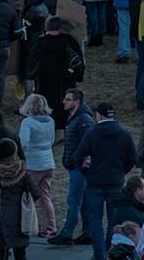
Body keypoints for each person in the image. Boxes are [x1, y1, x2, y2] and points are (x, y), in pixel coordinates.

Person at [71, 101, 137, 260]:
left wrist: (86, 171)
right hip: (116, 182)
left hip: (95, 183)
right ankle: (109, 251)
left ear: (98, 115)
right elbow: (132, 158)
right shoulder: (124, 133)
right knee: (113, 220)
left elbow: (78, 156)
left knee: (95, 221)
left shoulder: (92, 132)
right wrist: (121, 171)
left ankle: (99, 254)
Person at [49, 88, 94, 245]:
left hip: (79, 168)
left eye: (67, 99)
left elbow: (89, 144)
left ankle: (67, 233)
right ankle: (88, 233)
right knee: (83, 201)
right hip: (77, 167)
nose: (63, 102)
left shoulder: (83, 120)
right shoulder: (76, 118)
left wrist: (79, 162)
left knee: (74, 201)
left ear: (76, 102)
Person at [0, 138, 37, 260]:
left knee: (0, 251)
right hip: (19, 217)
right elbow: (35, 192)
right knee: (20, 253)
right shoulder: (22, 170)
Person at [17, 93, 56, 237]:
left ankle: (25, 225)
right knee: (45, 196)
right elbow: (52, 140)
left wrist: (21, 158)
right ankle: (51, 226)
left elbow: (23, 143)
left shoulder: (27, 122)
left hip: (33, 164)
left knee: (26, 196)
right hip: (49, 163)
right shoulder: (50, 121)